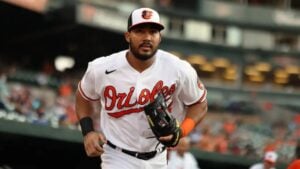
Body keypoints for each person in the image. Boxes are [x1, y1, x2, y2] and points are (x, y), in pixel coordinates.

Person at [75, 7, 208, 169]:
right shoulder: (102, 68)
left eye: (153, 32)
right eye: (139, 31)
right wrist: (88, 131)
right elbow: (83, 96)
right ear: (127, 36)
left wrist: (182, 131)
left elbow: (199, 103)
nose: (147, 37)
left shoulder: (178, 69)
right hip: (117, 156)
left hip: (158, 158)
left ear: (160, 37)